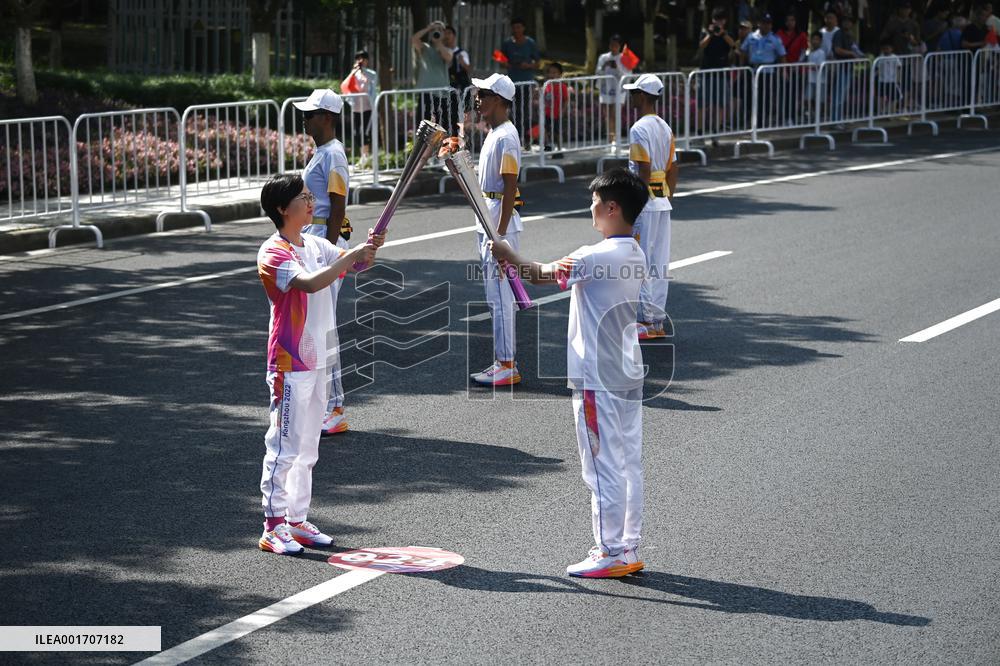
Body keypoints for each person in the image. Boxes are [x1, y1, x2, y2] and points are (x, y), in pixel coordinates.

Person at [489, 169, 649, 578]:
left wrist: (508, 254)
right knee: (627, 462)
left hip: (597, 376)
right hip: (627, 372)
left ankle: (609, 550)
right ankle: (627, 545)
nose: (591, 208)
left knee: (600, 465)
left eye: (596, 201)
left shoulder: (594, 255)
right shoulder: (635, 253)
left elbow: (539, 275)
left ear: (613, 207)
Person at [256, 173, 383, 555]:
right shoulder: (273, 252)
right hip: (291, 360)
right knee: (284, 445)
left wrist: (367, 251)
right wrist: (351, 254)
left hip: (321, 357)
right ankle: (272, 525)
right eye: (304, 197)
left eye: (312, 196)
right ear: (282, 208)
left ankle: (296, 519)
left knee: (308, 446)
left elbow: (354, 267)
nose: (311, 203)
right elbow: (310, 284)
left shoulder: (314, 243)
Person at [442, 73, 525, 386]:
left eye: (485, 94)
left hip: (497, 222)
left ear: (500, 100)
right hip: (487, 216)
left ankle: (507, 363)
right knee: (495, 296)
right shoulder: (494, 134)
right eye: (478, 93)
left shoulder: (507, 136)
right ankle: (503, 361)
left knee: (501, 297)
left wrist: (499, 235)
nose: (478, 98)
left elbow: (510, 185)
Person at [293, 88, 355, 436]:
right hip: (316, 243)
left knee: (324, 327)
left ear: (328, 118)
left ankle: (334, 407)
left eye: (311, 113)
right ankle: (327, 403)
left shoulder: (335, 155)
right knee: (315, 326)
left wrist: (328, 257)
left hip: (325, 245)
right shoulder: (323, 152)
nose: (306, 118)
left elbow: (338, 207)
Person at [623, 73, 678, 340]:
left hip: (645, 201)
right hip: (662, 200)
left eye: (634, 92)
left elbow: (642, 169)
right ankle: (656, 320)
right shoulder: (665, 127)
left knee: (640, 261)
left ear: (643, 96)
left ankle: (645, 321)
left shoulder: (639, 128)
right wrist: (668, 196)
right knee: (659, 263)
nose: (631, 96)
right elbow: (673, 168)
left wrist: (635, 203)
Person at [500, 17, 541, 147]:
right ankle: (515, 138)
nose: (516, 30)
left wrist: (528, 66)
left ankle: (527, 139)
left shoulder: (530, 43)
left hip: (526, 82)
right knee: (513, 111)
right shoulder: (507, 43)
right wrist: (505, 63)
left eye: (519, 27)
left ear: (523, 28)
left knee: (525, 111)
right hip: (512, 83)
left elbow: (538, 63)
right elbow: (499, 57)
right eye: (514, 27)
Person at [699, 8, 737, 138]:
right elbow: (701, 46)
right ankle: (700, 131)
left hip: (721, 74)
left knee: (720, 104)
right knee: (702, 103)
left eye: (720, 20)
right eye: (716, 20)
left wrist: (723, 34)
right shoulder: (706, 32)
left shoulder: (727, 33)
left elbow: (734, 45)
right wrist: (710, 34)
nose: (718, 23)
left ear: (724, 21)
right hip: (706, 72)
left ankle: (716, 130)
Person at [412, 21, 454, 127]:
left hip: (442, 93)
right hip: (426, 92)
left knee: (443, 126)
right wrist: (428, 29)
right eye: (435, 30)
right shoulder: (424, 48)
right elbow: (414, 40)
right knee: (422, 125)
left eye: (440, 30)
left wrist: (439, 42)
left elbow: (448, 57)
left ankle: (441, 144)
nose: (437, 32)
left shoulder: (448, 50)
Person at [342, 51, 377, 169]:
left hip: (368, 107)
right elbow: (344, 86)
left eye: (363, 58)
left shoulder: (371, 74)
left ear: (367, 60)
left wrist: (363, 73)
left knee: (364, 132)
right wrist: (353, 72)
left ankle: (365, 157)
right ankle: (364, 157)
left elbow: (371, 85)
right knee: (357, 133)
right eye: (358, 58)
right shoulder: (353, 74)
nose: (361, 61)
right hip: (356, 108)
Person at [596, 34, 633, 146]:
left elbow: (628, 74)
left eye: (616, 45)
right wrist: (604, 67)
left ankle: (616, 138)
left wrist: (617, 67)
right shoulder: (603, 57)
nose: (613, 47)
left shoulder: (624, 58)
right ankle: (610, 138)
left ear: (620, 46)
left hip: (618, 89)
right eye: (612, 45)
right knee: (607, 114)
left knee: (615, 113)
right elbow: (597, 72)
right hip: (606, 88)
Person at [443, 25, 472, 138]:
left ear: (454, 36)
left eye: (449, 33)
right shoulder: (442, 52)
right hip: (446, 87)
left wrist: (461, 62)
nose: (446, 36)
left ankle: (461, 137)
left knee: (461, 114)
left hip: (460, 87)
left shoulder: (461, 52)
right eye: (445, 33)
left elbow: (468, 69)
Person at [543, 61, 571, 153]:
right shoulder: (547, 85)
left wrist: (563, 111)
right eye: (550, 72)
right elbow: (543, 97)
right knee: (545, 129)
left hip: (557, 113)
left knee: (557, 132)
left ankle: (559, 149)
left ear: (560, 74)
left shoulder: (562, 86)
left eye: (554, 72)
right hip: (547, 112)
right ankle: (548, 145)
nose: (552, 75)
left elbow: (566, 100)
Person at [804, 31, 827, 121]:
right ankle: (811, 115)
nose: (815, 41)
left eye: (817, 39)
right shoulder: (809, 52)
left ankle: (819, 117)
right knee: (808, 98)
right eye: (813, 39)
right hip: (810, 79)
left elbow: (820, 66)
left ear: (820, 41)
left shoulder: (821, 52)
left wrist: (809, 67)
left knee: (819, 100)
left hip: (820, 80)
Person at [876, 39, 903, 114]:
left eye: (888, 48)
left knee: (896, 96)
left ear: (891, 49)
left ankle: (888, 110)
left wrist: (898, 78)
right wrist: (875, 75)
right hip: (882, 80)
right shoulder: (880, 57)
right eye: (884, 49)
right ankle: (881, 111)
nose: (886, 50)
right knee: (881, 96)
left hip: (892, 80)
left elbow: (899, 67)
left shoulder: (895, 57)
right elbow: (878, 68)